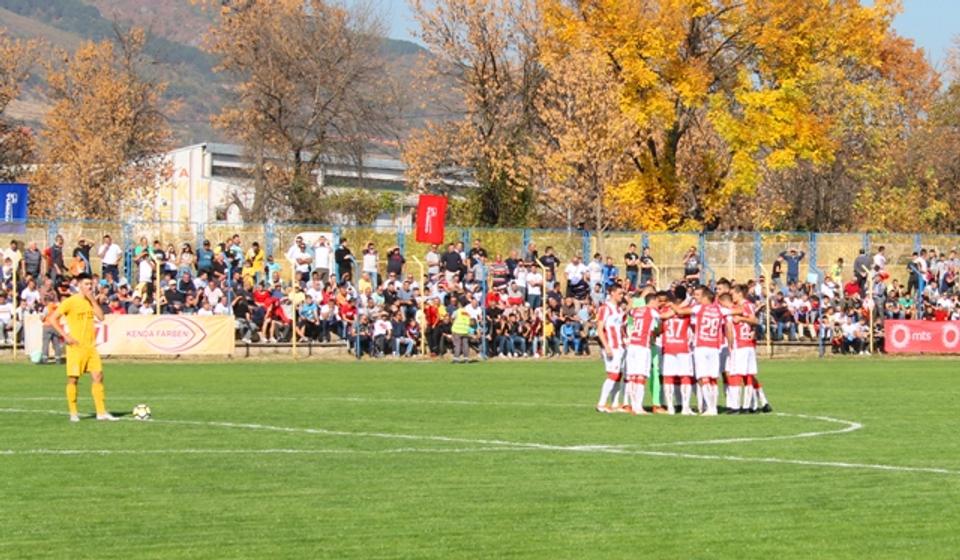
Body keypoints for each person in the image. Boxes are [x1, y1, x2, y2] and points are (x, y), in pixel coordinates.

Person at [45, 273, 117, 422]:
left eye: (91, 284)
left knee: (98, 376)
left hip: (90, 347)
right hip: (75, 347)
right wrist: (65, 336)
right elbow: (52, 318)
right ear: (79, 285)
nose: (89, 287)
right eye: (86, 284)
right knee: (73, 379)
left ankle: (101, 412)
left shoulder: (91, 301)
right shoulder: (70, 302)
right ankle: (73, 412)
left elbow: (101, 317)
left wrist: (93, 300)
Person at [724, 285, 771, 414]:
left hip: (741, 344)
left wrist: (741, 318)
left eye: (733, 293)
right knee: (747, 374)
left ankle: (740, 406)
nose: (732, 296)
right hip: (747, 344)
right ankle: (753, 405)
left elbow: (754, 320)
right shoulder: (745, 306)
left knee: (738, 374)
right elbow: (753, 320)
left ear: (739, 294)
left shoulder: (744, 306)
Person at [686, 287, 731, 416]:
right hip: (714, 347)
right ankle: (713, 407)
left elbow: (681, 311)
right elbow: (735, 311)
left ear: (705, 297)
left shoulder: (699, 308)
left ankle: (710, 408)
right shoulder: (720, 310)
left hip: (701, 346)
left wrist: (672, 305)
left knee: (703, 377)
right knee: (713, 379)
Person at [624, 292, 666, 415]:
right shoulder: (652, 312)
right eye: (657, 302)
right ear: (652, 302)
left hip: (632, 344)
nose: (658, 304)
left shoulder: (637, 310)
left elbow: (629, 312)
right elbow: (664, 317)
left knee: (632, 376)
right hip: (643, 346)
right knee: (641, 376)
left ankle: (633, 405)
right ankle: (638, 407)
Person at [660, 287, 694, 415]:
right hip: (683, 347)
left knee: (668, 377)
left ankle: (670, 407)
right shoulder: (686, 310)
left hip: (669, 346)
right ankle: (685, 407)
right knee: (685, 376)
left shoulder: (665, 309)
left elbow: (661, 324)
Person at [595, 285, 626, 413]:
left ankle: (614, 403)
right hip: (611, 346)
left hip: (620, 346)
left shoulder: (619, 310)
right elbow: (599, 329)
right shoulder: (605, 308)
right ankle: (601, 404)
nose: (622, 296)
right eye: (620, 293)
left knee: (619, 375)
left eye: (623, 294)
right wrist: (606, 346)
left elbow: (621, 329)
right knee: (613, 375)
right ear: (612, 293)